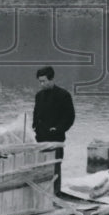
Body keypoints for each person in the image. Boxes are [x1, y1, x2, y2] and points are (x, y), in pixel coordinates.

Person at [32, 66, 76, 195]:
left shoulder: (63, 95)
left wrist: (58, 129)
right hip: (40, 138)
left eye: (44, 81)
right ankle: (42, 194)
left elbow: (70, 117)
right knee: (41, 168)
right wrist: (34, 126)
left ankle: (55, 194)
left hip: (56, 139)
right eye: (40, 81)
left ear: (51, 79)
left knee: (55, 168)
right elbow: (36, 114)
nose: (42, 84)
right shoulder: (39, 96)